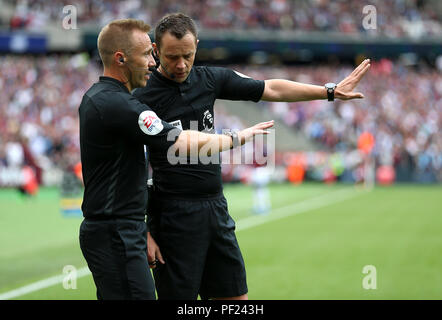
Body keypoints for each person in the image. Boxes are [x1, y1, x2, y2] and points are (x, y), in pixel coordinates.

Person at [133, 13, 371, 300]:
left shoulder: (208, 79)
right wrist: (143, 231)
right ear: (156, 50)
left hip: (215, 209)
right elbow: (130, 170)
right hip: (172, 217)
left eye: (188, 55)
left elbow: (270, 87)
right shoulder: (141, 97)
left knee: (236, 301)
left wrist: (329, 91)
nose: (181, 64)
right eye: (172, 57)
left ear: (197, 45)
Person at [78, 18, 274, 300]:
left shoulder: (116, 100)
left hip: (128, 227)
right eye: (147, 54)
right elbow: (178, 140)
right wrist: (235, 139)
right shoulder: (117, 104)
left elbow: (136, 173)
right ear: (121, 58)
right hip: (117, 230)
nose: (151, 63)